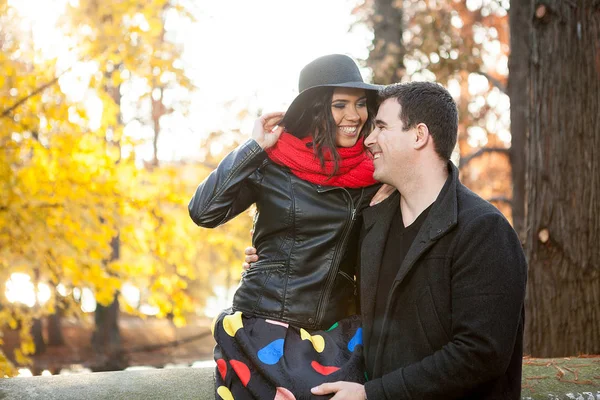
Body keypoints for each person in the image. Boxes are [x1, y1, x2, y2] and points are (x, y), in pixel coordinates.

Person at [247, 82, 527, 399]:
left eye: (381, 127)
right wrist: (274, 259)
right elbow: (336, 290)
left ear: (419, 136)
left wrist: (374, 394)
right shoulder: (374, 222)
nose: (368, 139)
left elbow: (481, 354)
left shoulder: (483, 230)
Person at [188, 54, 389, 399]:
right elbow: (203, 211)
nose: (354, 116)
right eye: (340, 105)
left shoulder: (376, 174)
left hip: (337, 332)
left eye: (360, 104)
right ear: (315, 109)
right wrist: (253, 148)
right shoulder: (273, 161)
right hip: (265, 324)